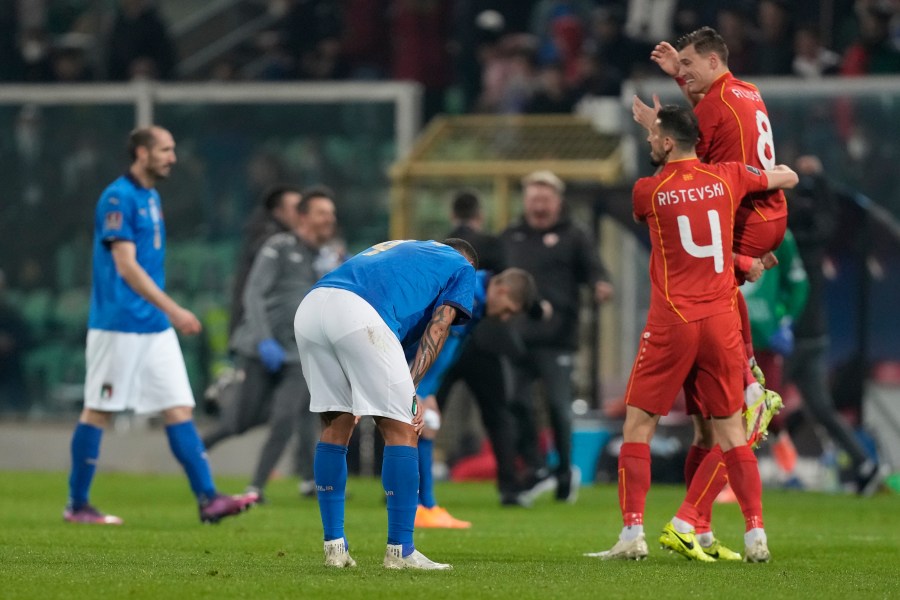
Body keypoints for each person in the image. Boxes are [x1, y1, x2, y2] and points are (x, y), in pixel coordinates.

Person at [590, 105, 798, 563]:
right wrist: (772, 185)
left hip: (674, 322)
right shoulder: (729, 177)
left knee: (638, 426)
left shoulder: (647, 190)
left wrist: (658, 133)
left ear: (666, 141)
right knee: (730, 432)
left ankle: (632, 533)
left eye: (652, 137)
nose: (648, 142)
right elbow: (785, 178)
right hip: (722, 321)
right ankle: (755, 534)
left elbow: (671, 211)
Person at [64, 126, 257, 525]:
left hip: (152, 327)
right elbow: (126, 266)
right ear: (141, 152)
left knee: (178, 408)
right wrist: (175, 309)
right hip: (119, 324)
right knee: (98, 411)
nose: (172, 157)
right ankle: (78, 505)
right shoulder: (119, 196)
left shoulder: (151, 195)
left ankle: (208, 499)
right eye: (165, 150)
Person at [633, 25, 787, 456]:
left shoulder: (713, 106)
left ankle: (751, 389)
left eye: (688, 64)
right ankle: (748, 375)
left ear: (713, 61)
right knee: (718, 298)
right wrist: (680, 79)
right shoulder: (747, 91)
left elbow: (685, 150)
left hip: (743, 214)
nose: (682, 72)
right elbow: (707, 115)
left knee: (708, 288)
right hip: (769, 209)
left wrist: (654, 125)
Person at [295, 238, 477, 570]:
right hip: (359, 314)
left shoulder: (405, 247)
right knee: (402, 430)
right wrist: (413, 387)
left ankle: (334, 548)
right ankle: (401, 551)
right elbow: (440, 325)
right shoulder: (462, 267)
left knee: (336, 426)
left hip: (312, 307)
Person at [202, 187, 337, 503]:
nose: (329, 219)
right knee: (239, 421)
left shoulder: (329, 256)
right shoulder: (277, 246)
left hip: (298, 351)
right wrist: (263, 339)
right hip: (261, 348)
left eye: (332, 214)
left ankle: (256, 487)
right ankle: (196, 449)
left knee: (287, 417)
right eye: (322, 213)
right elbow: (253, 294)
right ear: (303, 217)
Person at [501, 169, 613, 503]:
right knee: (515, 403)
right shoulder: (511, 236)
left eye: (545, 199)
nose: (539, 206)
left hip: (558, 338)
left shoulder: (574, 235)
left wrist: (600, 285)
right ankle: (537, 467)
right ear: (525, 201)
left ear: (557, 203)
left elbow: (594, 269)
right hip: (517, 336)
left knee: (558, 408)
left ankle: (565, 472)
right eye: (533, 199)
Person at [784, 155, 889, 495]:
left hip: (785, 337)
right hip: (815, 334)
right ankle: (865, 462)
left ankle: (733, 472)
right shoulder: (815, 242)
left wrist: (790, 181)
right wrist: (822, 179)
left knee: (749, 402)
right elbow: (828, 217)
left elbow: (791, 210)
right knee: (820, 409)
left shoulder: (784, 241)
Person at [414, 267, 539, 527]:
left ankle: (426, 505)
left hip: (421, 370)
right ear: (502, 290)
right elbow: (436, 338)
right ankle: (414, 505)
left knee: (425, 425)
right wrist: (421, 388)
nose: (505, 318)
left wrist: (431, 391)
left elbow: (447, 347)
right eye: (508, 310)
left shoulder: (477, 300)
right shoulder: (466, 293)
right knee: (415, 425)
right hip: (407, 356)